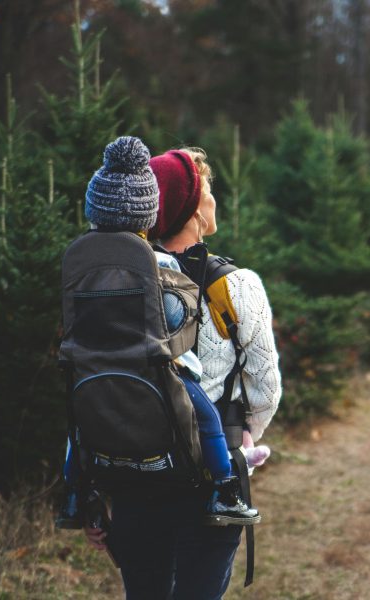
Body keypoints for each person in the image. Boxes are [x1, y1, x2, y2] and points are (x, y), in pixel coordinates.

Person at [86, 143, 282, 599]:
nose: (215, 198)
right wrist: (243, 440)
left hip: (134, 474)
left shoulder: (118, 283)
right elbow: (266, 390)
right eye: (208, 189)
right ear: (194, 209)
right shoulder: (236, 285)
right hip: (208, 484)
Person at [56, 136, 260, 530]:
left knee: (77, 425)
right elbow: (175, 314)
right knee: (206, 418)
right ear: (147, 216)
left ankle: (73, 495)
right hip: (154, 364)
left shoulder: (80, 261)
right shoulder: (158, 262)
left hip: (91, 364)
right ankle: (226, 490)